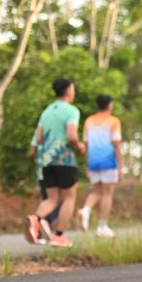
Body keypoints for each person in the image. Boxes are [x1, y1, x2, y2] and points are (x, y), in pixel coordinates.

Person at [25, 78, 85, 247]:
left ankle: (36, 219)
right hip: (64, 159)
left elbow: (37, 139)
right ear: (68, 91)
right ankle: (58, 235)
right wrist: (79, 147)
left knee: (52, 199)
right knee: (69, 198)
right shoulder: (71, 111)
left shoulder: (46, 112)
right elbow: (72, 136)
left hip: (46, 161)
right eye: (73, 89)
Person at [76, 94, 123, 238]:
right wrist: (120, 165)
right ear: (109, 105)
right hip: (108, 161)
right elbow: (116, 143)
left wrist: (88, 164)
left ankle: (86, 210)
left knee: (96, 191)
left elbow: (86, 144)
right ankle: (102, 226)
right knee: (107, 193)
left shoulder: (89, 121)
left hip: (93, 161)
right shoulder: (114, 121)